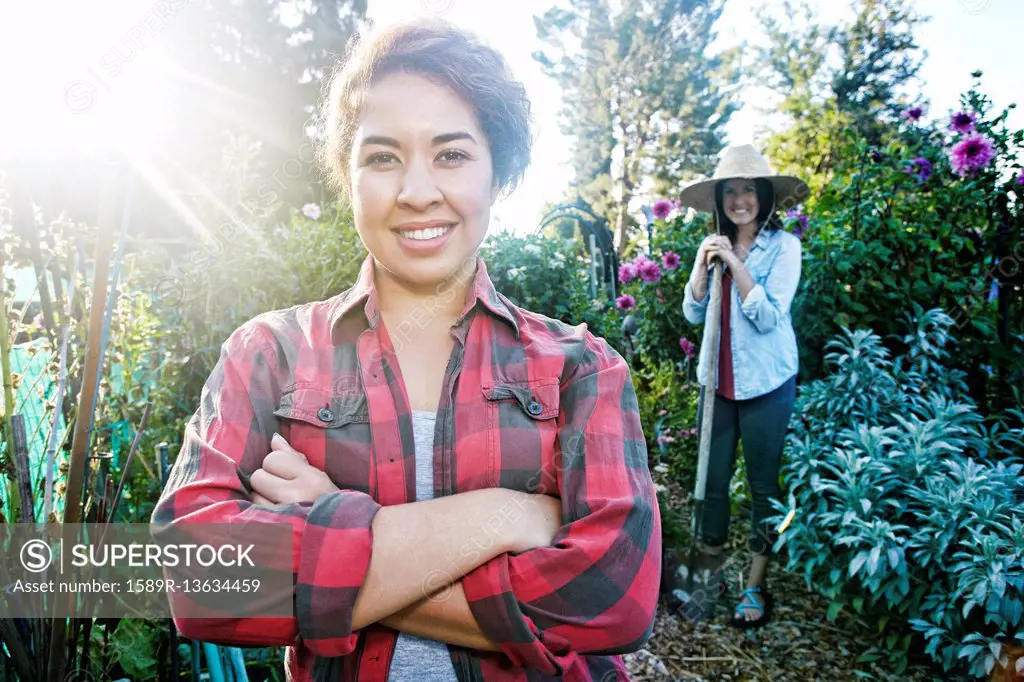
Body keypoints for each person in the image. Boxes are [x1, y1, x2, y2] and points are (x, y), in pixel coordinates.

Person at [152, 20, 661, 682]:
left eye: (451, 155)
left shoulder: (580, 368)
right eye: (383, 157)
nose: (417, 191)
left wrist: (332, 525)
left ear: (497, 176)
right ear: (348, 177)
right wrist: (506, 515)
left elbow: (613, 600)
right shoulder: (270, 355)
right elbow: (196, 578)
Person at [679, 144, 807, 629]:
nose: (739, 200)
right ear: (719, 198)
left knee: (762, 488)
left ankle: (755, 585)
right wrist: (701, 266)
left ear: (764, 195)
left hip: (768, 387)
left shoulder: (785, 247)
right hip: (718, 385)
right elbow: (693, 314)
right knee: (711, 485)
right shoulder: (712, 245)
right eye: (730, 190)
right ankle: (706, 582)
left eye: (748, 190)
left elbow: (771, 317)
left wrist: (735, 264)